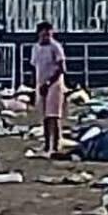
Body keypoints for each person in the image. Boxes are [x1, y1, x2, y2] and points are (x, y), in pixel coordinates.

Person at [30, 21, 67, 154]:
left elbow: (61, 68)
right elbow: (35, 67)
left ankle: (56, 145)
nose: (46, 35)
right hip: (41, 83)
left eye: (49, 32)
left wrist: (49, 82)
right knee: (45, 116)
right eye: (44, 32)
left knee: (54, 115)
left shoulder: (55, 47)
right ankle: (46, 145)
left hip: (54, 83)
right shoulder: (36, 48)